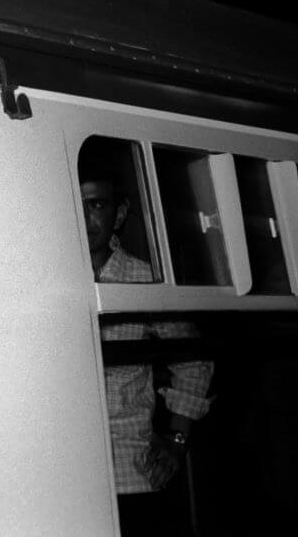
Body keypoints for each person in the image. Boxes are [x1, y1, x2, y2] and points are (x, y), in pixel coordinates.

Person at [80, 141, 213, 536]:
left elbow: (193, 358)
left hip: (130, 470)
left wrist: (176, 438)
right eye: (77, 202)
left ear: (119, 214)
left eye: (98, 205)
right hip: (59, 470)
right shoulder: (38, 276)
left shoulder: (144, 277)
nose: (86, 217)